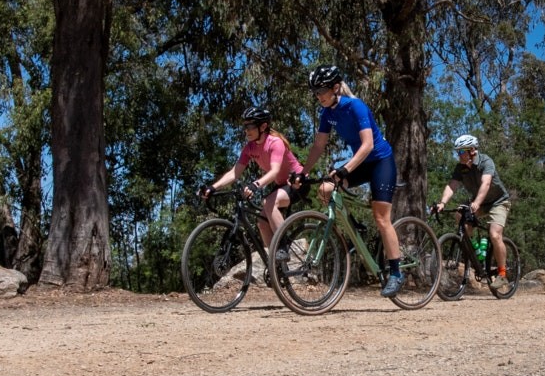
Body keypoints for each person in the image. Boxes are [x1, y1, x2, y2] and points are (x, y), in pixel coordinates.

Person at [293, 65, 404, 298]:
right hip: (360, 163)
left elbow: (368, 146)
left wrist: (344, 169)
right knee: (325, 188)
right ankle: (355, 226)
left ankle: (395, 273)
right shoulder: (327, 114)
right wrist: (303, 172)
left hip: (380, 162)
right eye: (315, 92)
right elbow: (318, 146)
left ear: (335, 88)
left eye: (321, 90)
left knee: (381, 218)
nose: (318, 96)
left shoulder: (356, 106)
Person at [199, 107, 304, 248]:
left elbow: (274, 171)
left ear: (263, 126)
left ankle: (284, 248)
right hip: (282, 185)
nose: (246, 130)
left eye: (250, 126)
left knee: (268, 203)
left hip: (298, 182)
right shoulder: (249, 148)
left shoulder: (275, 142)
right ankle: (273, 262)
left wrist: (255, 184)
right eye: (245, 126)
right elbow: (234, 173)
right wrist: (213, 187)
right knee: (262, 223)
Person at [430, 134, 512, 290]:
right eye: (457, 152)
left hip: (498, 201)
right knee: (459, 216)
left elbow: (486, 183)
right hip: (478, 201)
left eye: (461, 152)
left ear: (472, 150)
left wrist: (476, 203)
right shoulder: (460, 168)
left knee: (495, 234)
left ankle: (502, 274)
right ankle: (475, 250)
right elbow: (452, 186)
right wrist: (442, 203)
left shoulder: (485, 162)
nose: (458, 155)